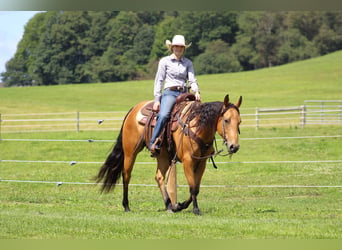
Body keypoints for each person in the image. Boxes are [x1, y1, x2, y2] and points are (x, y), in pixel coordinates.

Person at [149, 35, 201, 155]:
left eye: (181, 47)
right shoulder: (164, 61)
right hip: (170, 93)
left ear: (184, 49)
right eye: (176, 46)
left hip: (184, 93)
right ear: (172, 48)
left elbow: (192, 79)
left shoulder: (188, 63)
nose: (178, 49)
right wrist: (157, 99)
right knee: (164, 115)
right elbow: (159, 80)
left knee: (196, 114)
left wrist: (196, 91)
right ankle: (153, 142)